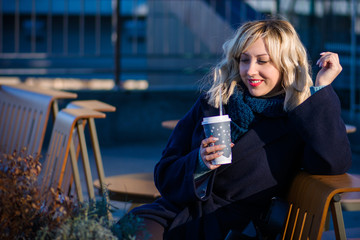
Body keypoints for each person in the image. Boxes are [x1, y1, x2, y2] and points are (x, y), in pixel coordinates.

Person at [125, 17, 352, 240]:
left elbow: (332, 163)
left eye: (263, 61)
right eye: (245, 60)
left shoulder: (298, 116)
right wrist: (200, 164)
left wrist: (321, 88)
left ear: (286, 64)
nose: (250, 71)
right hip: (176, 213)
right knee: (128, 232)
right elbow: (164, 173)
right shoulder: (214, 102)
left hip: (237, 228)